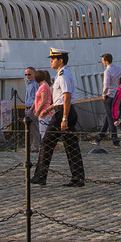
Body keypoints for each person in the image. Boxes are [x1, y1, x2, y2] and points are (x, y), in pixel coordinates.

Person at [30, 48, 85, 186]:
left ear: (60, 60)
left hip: (63, 112)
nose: (51, 61)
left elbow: (67, 97)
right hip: (62, 110)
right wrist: (48, 108)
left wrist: (64, 118)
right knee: (71, 145)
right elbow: (60, 99)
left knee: (47, 143)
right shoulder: (61, 74)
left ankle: (40, 176)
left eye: (53, 59)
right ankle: (77, 177)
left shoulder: (63, 75)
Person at [96, 53, 121, 147]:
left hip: (109, 96)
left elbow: (106, 85)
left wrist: (103, 94)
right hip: (116, 94)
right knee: (108, 118)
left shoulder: (107, 71)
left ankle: (115, 141)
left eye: (103, 61)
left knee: (110, 118)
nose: (102, 62)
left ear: (106, 61)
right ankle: (98, 138)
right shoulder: (118, 69)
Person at [32, 69, 53, 141]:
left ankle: (44, 147)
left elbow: (43, 101)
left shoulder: (43, 87)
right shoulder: (45, 85)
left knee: (43, 131)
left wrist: (38, 111)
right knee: (43, 130)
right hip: (43, 111)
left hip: (43, 112)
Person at [23, 66, 41, 151]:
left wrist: (33, 109)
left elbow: (37, 97)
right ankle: (30, 146)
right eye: (26, 74)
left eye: (29, 74)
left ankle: (35, 146)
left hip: (32, 108)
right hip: (28, 108)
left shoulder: (36, 84)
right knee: (29, 129)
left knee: (34, 128)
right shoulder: (29, 84)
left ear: (34, 74)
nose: (27, 76)